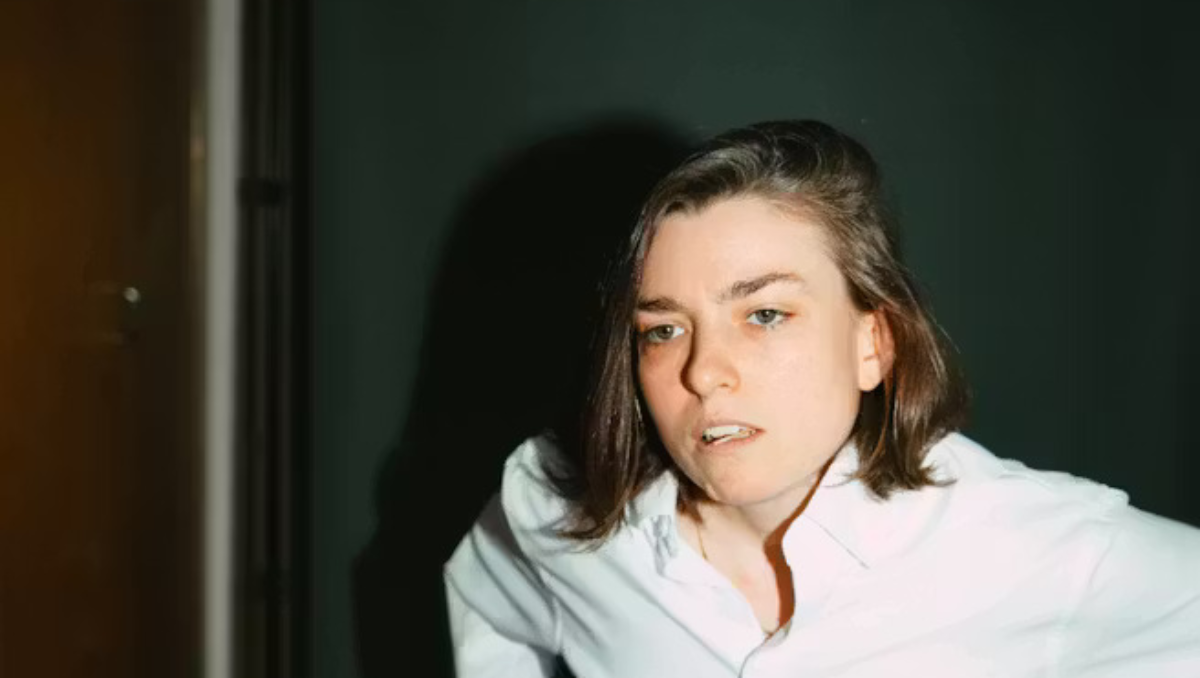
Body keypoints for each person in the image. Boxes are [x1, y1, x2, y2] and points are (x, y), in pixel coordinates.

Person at [442, 120, 1200, 677]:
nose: (704, 372)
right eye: (664, 330)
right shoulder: (559, 507)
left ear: (874, 342)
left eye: (765, 314)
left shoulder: (1038, 550)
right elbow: (487, 603)